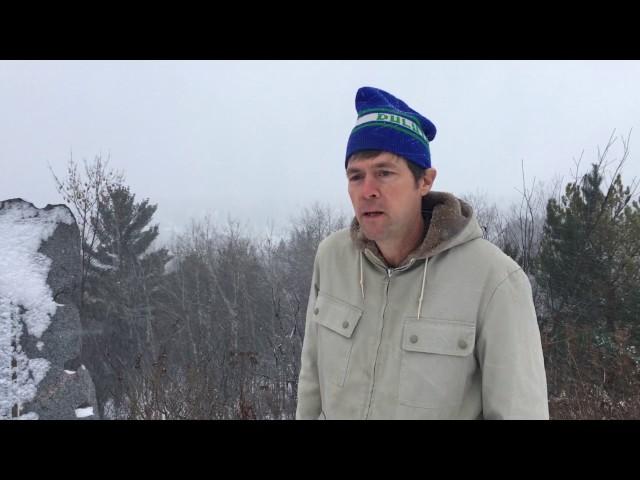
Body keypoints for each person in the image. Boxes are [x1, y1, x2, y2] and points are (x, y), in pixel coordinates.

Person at [295, 86, 549, 419]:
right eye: (356, 176)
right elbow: (312, 383)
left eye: (385, 173)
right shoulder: (332, 258)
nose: (367, 191)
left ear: (425, 181)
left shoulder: (495, 280)